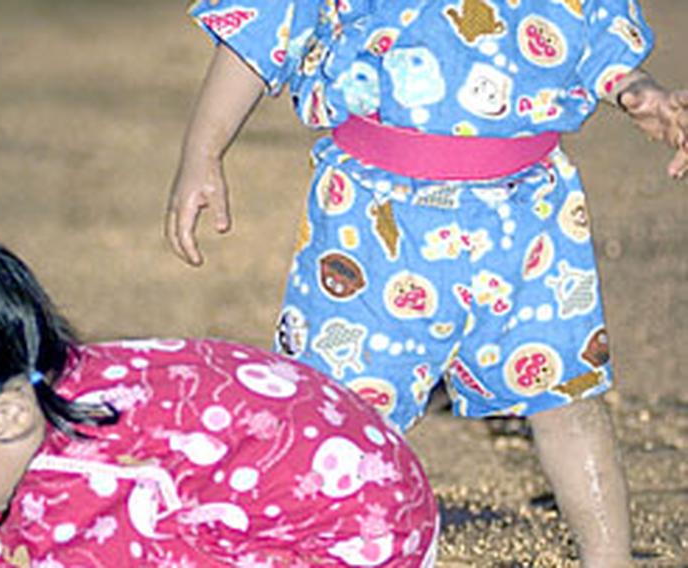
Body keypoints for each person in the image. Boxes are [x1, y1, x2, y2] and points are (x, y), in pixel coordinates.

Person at [165, 1, 688, 566]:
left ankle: (609, 560)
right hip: (370, 225)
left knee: (568, 403)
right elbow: (263, 30)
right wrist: (203, 151)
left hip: (529, 220)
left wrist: (639, 89)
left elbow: (594, 33)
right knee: (337, 419)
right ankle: (330, 548)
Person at [0, 208, 439, 567]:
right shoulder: (47, 389)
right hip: (368, 487)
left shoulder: (84, 490)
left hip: (357, 543)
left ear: (1, 416)